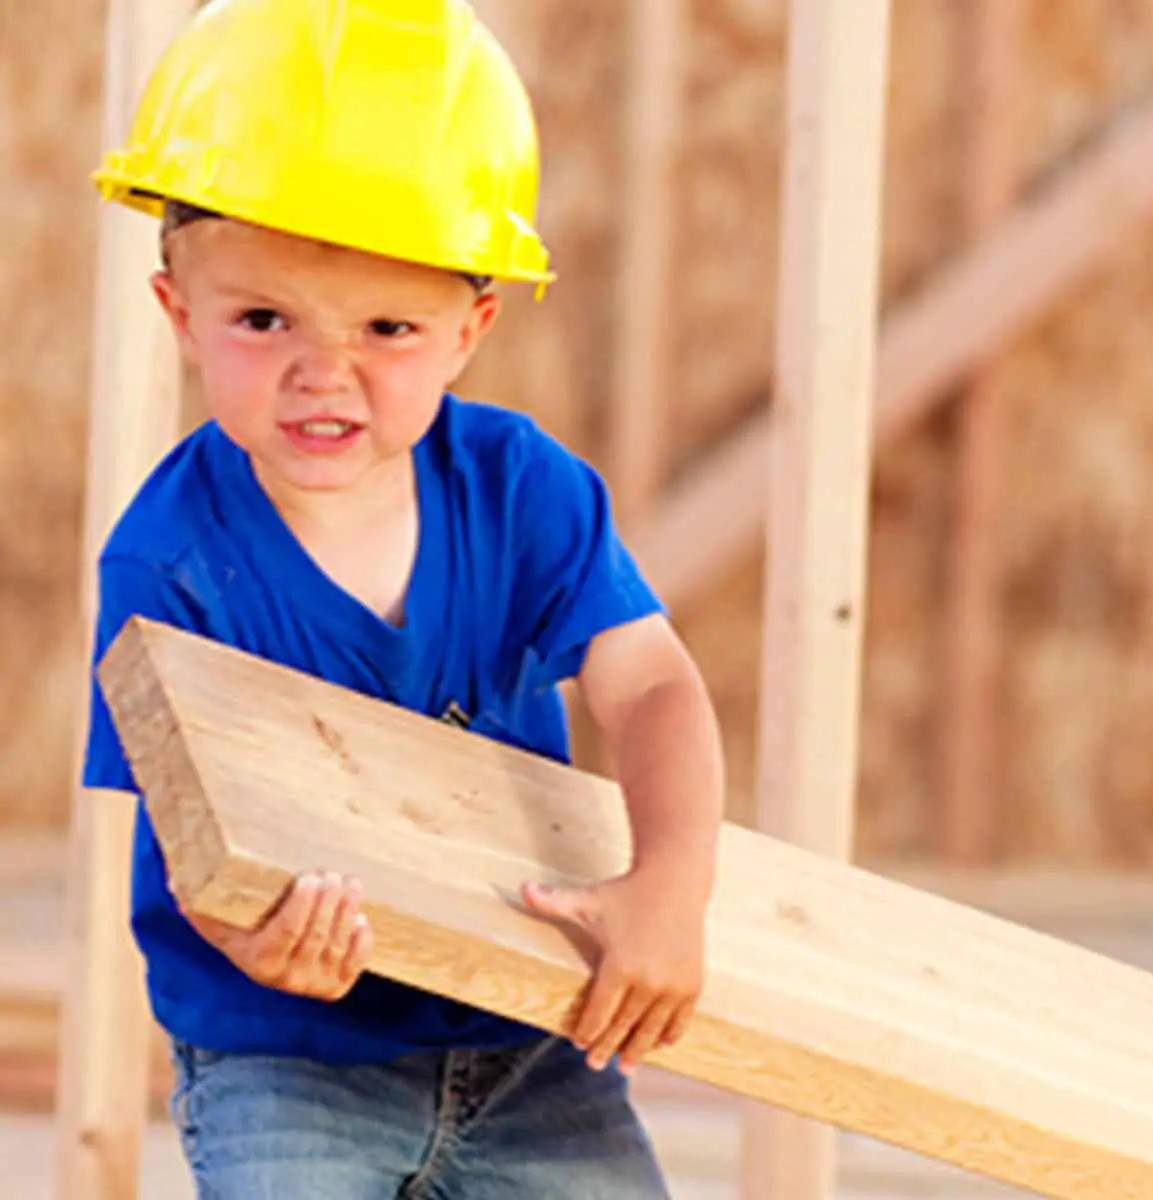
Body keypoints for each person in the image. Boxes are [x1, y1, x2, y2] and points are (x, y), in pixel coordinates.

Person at [82, 1, 725, 1197]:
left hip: (534, 1039)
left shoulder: (520, 489)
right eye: (262, 319)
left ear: (470, 329)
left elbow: (654, 686)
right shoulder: (164, 563)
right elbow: (186, 843)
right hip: (287, 1060)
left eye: (389, 327)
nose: (324, 373)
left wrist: (669, 889)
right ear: (182, 315)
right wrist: (256, 943)